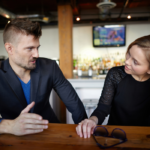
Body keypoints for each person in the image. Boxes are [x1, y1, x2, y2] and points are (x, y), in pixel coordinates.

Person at [0, 19, 87, 136]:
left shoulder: (50, 67)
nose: (37, 55)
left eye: (37, 48)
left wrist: (84, 126)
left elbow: (74, 103)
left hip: (48, 130)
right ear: (10, 48)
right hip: (12, 136)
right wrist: (10, 126)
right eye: (30, 48)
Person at [76, 35, 150, 138]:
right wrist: (92, 120)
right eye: (129, 54)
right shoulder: (116, 74)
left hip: (145, 137)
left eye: (135, 62)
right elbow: (103, 107)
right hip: (115, 134)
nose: (127, 61)